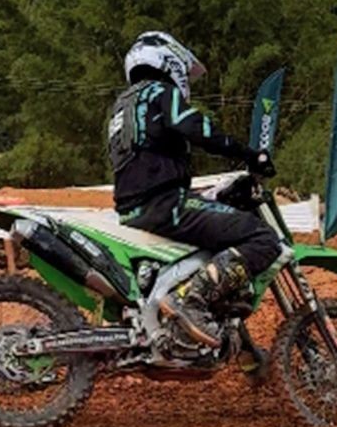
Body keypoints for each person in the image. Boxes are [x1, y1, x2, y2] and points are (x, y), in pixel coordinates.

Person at [108, 31, 284, 348]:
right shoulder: (161, 92)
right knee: (262, 238)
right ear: (170, 61)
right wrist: (249, 154)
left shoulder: (122, 105)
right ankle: (190, 300)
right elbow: (197, 129)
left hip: (135, 208)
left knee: (218, 233)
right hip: (165, 203)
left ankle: (245, 353)